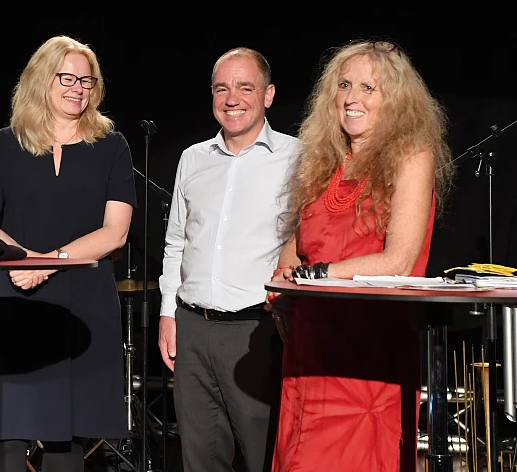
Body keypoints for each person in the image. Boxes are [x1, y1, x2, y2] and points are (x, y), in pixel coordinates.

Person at [267, 40, 454, 472]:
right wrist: (283, 285)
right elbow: (296, 242)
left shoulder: (411, 155)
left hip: (367, 353)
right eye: (345, 85)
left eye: (369, 88)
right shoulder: (325, 159)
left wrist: (311, 278)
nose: (352, 98)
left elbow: (399, 261)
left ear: (396, 100)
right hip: (309, 346)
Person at [0, 35, 136, 472]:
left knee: (66, 444)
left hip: (81, 302)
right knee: (5, 443)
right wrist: (23, 262)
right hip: (11, 298)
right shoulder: (6, 142)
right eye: (67, 78)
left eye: (87, 81)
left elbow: (115, 232)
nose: (78, 88)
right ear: (42, 80)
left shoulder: (112, 145)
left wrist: (47, 263)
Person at [158, 48, 298, 472]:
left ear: (268, 95)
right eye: (222, 88)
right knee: (200, 460)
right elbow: (176, 244)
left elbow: (305, 244)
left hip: (258, 333)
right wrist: (169, 315)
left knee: (264, 456)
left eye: (245, 87)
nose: (232, 98)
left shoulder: (299, 158)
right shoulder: (193, 159)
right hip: (193, 329)